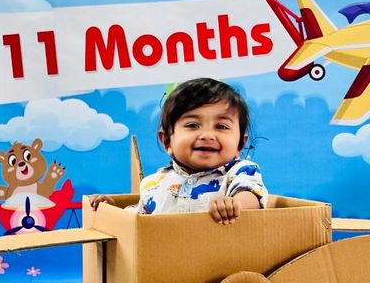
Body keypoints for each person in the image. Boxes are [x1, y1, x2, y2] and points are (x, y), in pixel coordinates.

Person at [90, 78, 267, 224]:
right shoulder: (155, 182)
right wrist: (111, 210)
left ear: (240, 144)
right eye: (192, 125)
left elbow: (251, 195)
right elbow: (140, 219)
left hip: (221, 260)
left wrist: (234, 205)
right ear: (167, 140)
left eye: (221, 126)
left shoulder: (240, 171)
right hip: (168, 261)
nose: (207, 135)